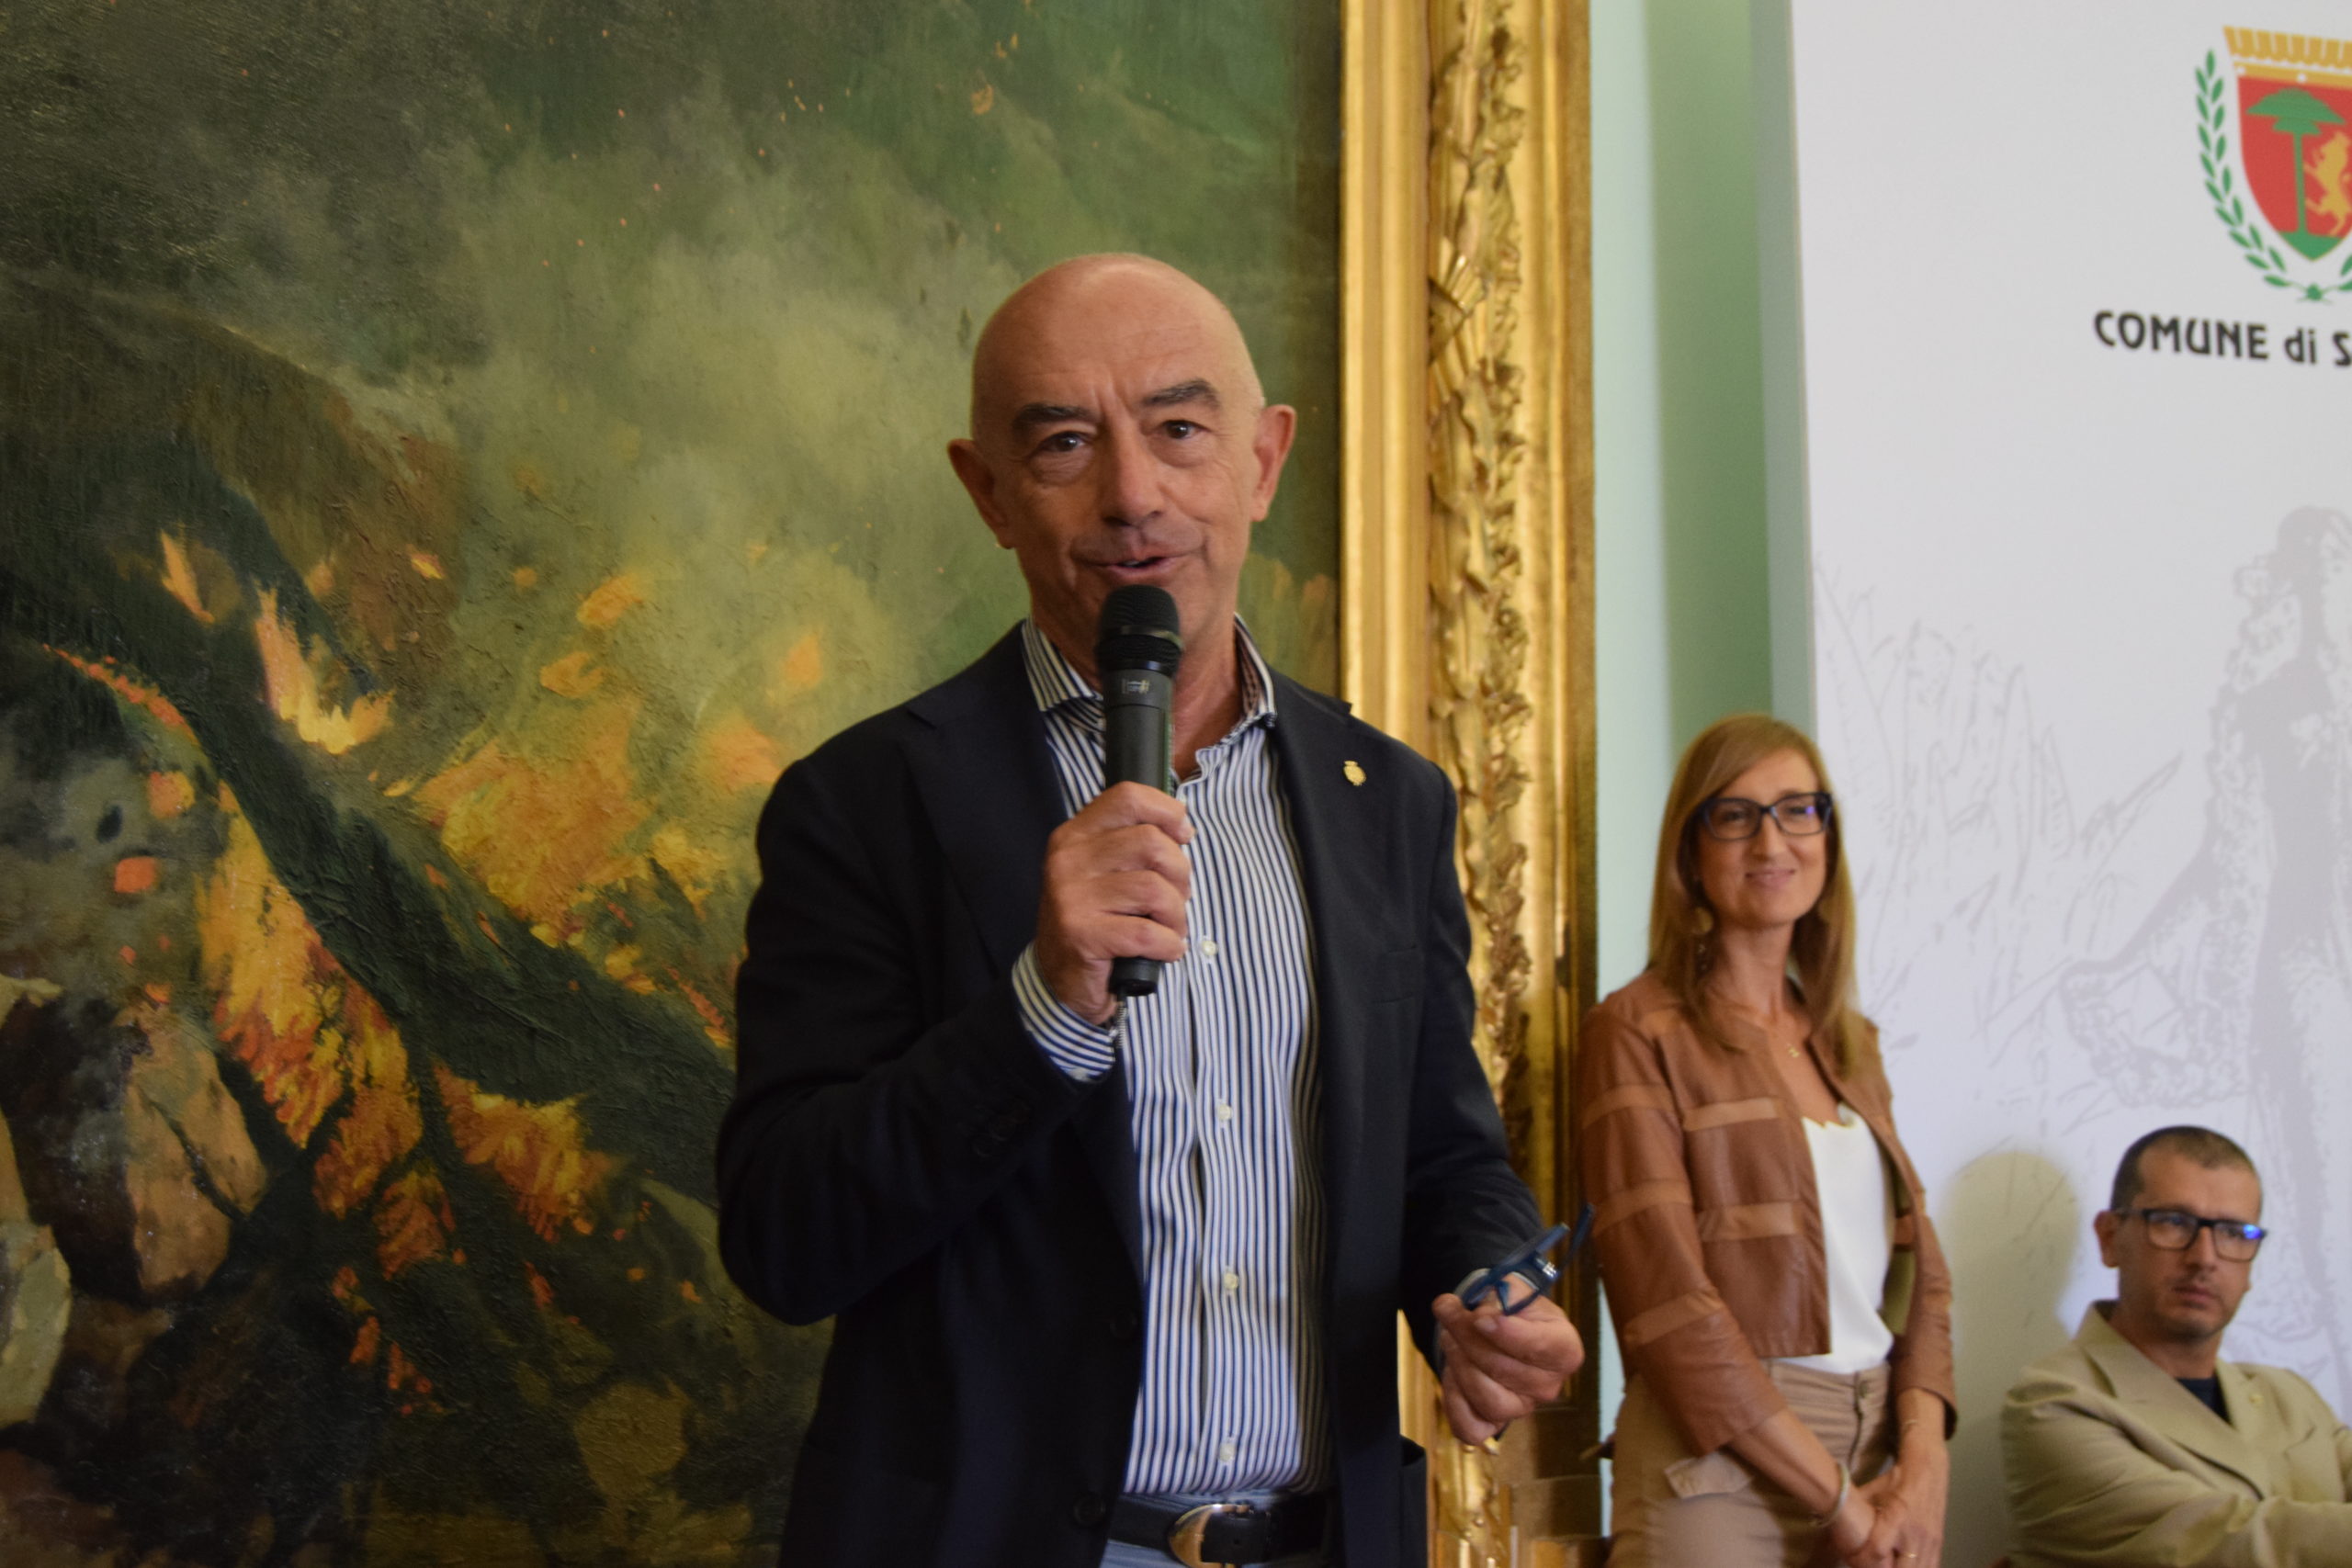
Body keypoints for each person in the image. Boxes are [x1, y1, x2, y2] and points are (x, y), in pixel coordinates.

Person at [715, 254, 1581, 1568]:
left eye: (1179, 429)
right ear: (987, 492)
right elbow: (785, 1239)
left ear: (1263, 460)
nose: (1132, 494)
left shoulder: (1388, 802)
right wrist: (1042, 1007)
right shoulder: (864, 803)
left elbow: (1441, 1159)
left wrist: (1485, 1285)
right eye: (1065, 443)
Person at [1578, 714, 1954, 1567]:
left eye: (1798, 809)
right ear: (1691, 853)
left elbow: (1923, 1282)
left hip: (1878, 1447)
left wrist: (1925, 1463)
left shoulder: (1852, 1042)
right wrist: (1840, 1506)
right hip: (1717, 1463)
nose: (1772, 840)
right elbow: (1668, 1303)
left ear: (1828, 835)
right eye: (1735, 815)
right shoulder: (1635, 1030)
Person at [2001, 1127, 2352, 1565]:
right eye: (2173, 1222)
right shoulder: (2055, 1403)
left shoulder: (2291, 1397)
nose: (2204, 1257)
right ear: (2109, 1237)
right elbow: (2226, 1544)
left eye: (2233, 1231)